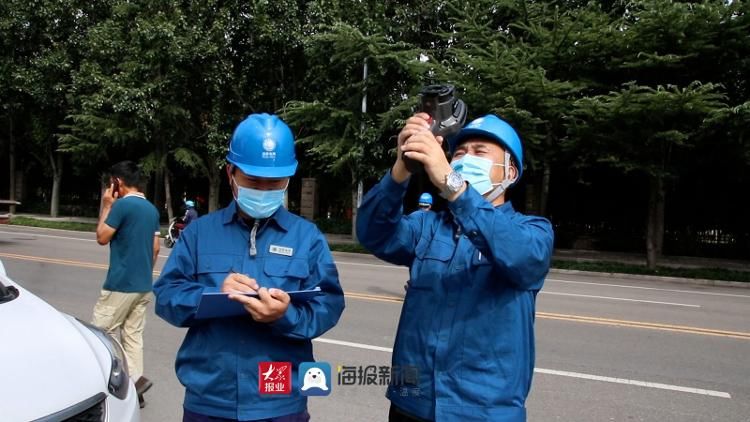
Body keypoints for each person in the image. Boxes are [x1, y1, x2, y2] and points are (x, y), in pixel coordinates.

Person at [357, 113, 554, 422]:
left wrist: (452, 184)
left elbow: (521, 258)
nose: (464, 158)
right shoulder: (428, 226)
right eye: (459, 152)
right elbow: (372, 233)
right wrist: (400, 170)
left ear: (510, 172)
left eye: (479, 152)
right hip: (412, 401)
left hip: (483, 409)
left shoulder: (532, 230)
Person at [153, 113, 345, 422]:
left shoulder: (307, 238)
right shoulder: (200, 233)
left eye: (276, 184)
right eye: (254, 181)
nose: (265, 190)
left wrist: (285, 316)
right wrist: (214, 294)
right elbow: (166, 297)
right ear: (231, 174)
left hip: (279, 399)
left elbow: (329, 304)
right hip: (210, 399)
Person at [93, 160, 161, 409]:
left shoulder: (121, 206)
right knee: (133, 337)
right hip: (143, 284)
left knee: (101, 333)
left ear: (117, 183)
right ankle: (136, 384)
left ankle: (112, 382)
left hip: (120, 284)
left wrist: (107, 205)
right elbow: (155, 248)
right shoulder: (152, 210)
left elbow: (101, 237)